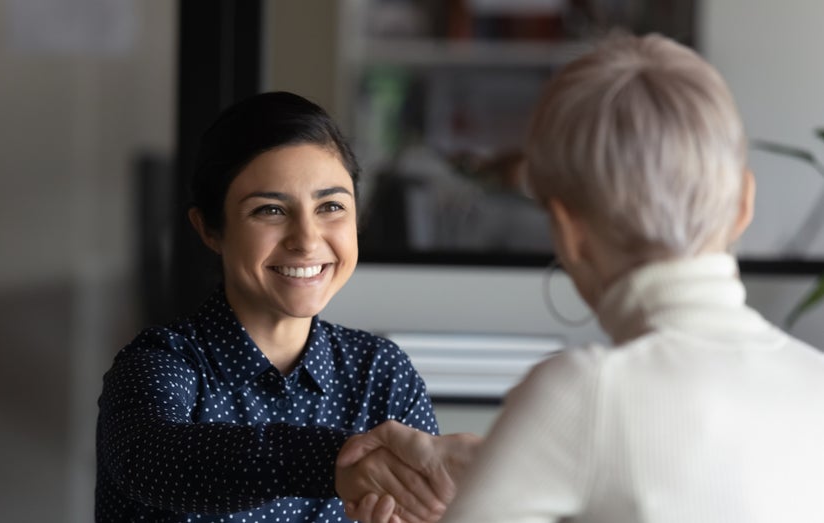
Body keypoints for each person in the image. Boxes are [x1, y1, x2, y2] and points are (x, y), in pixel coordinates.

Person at [339, 33, 824, 522]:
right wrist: (491, 463)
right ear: (744, 204)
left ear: (569, 233)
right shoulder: (816, 385)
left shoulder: (586, 391)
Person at [95, 91, 453, 522]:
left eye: (331, 206)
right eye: (270, 210)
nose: (306, 239)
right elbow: (153, 460)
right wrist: (341, 463)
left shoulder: (381, 374)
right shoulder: (158, 364)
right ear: (209, 229)